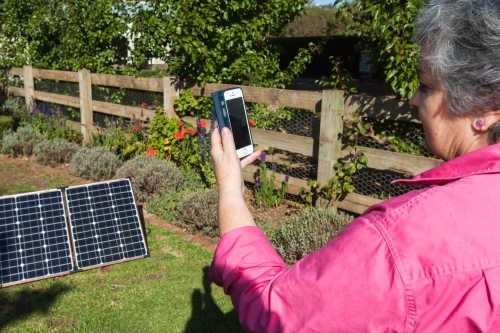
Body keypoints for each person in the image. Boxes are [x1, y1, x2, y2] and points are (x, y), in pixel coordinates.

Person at [208, 0, 500, 331]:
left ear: (485, 109)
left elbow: (274, 314)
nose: (414, 100)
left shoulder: (399, 242)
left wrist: (230, 188)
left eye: (426, 85)